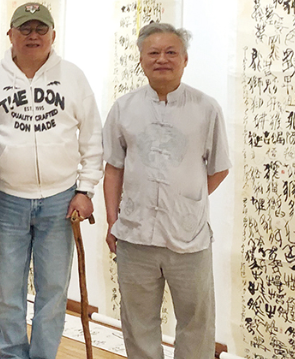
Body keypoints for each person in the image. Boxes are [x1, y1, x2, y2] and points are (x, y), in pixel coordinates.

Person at [0, 2, 102, 359]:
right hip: (8, 199)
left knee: (53, 291)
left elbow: (92, 138)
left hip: (60, 200)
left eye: (40, 29)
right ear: (10, 34)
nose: (32, 36)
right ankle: (12, 355)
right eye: (25, 29)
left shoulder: (73, 77)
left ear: (53, 35)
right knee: (7, 292)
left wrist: (85, 189)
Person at [103, 22, 230, 359]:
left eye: (171, 52)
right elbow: (113, 168)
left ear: (185, 59)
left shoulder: (206, 108)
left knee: (196, 323)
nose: (162, 59)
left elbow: (219, 168)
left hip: (189, 239)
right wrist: (113, 221)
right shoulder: (124, 108)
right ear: (141, 59)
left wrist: (187, 198)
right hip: (135, 235)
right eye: (154, 53)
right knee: (138, 324)